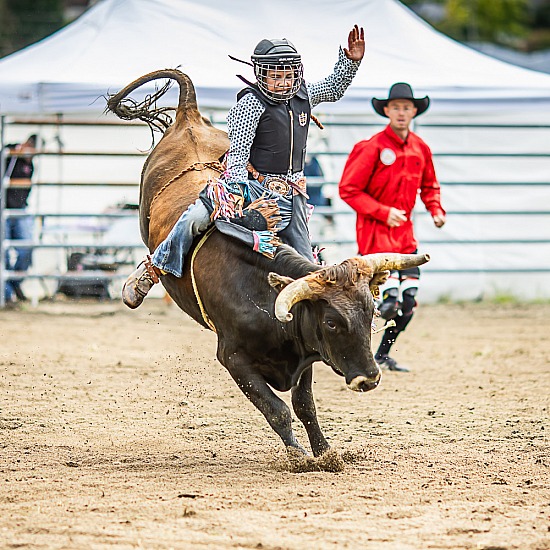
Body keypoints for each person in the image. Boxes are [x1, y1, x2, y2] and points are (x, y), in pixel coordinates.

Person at [122, 25, 365, 309]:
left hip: (291, 196)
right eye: (276, 76)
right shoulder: (250, 106)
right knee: (194, 219)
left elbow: (334, 88)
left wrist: (351, 61)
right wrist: (237, 196)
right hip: (247, 186)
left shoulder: (304, 97)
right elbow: (237, 156)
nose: (284, 82)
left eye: (289, 75)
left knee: (305, 260)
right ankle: (154, 269)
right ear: (261, 75)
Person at [338, 82, 446, 372]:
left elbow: (429, 186)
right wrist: (383, 212)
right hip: (376, 239)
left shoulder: (420, 149)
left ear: (414, 112)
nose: (401, 112)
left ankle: (382, 354)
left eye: (406, 107)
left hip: (405, 239)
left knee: (408, 302)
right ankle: (353, 350)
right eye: (395, 107)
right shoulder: (371, 147)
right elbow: (348, 189)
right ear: (386, 110)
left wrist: (436, 210)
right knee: (388, 302)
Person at [3, 134, 38, 304]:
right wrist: (13, 151)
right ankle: (7, 292)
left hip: (20, 210)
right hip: (4, 210)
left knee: (26, 248)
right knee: (3, 252)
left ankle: (13, 283)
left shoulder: (30, 166)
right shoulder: (10, 158)